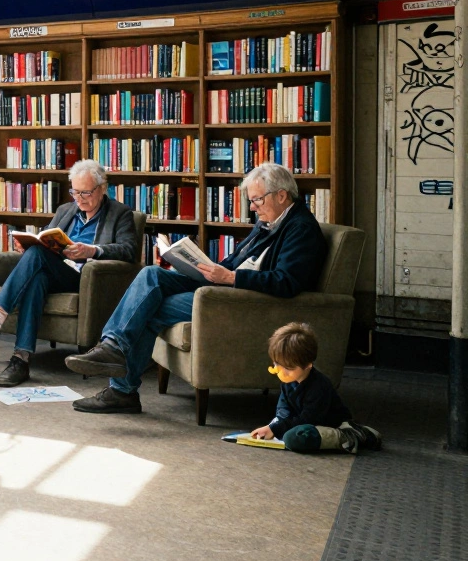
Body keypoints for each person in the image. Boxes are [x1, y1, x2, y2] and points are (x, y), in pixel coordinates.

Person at [65, 162, 327, 414]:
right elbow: (235, 261)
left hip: (240, 297)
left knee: (149, 306)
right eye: (251, 200)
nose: (253, 207)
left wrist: (231, 278)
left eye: (257, 200)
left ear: (282, 195)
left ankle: (122, 389)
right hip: (225, 284)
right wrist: (202, 266)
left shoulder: (300, 229)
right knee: (151, 275)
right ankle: (113, 346)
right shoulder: (269, 223)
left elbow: (287, 282)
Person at [0, 160, 139, 387]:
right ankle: (21, 359)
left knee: (37, 256)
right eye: (75, 192)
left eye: (85, 192)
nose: (79, 198)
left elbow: (130, 251)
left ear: (102, 188)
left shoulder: (120, 213)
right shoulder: (65, 211)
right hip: (56, 271)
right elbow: (46, 239)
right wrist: (27, 246)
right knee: (36, 277)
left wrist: (92, 251)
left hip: (86, 278)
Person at [251, 322, 380, 453]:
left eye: (289, 368)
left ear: (308, 365)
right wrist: (272, 426)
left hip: (328, 425)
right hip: (304, 424)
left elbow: (309, 418)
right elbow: (283, 410)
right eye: (277, 364)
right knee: (288, 433)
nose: (282, 372)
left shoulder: (319, 386)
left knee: (294, 438)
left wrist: (276, 429)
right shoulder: (288, 381)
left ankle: (353, 434)